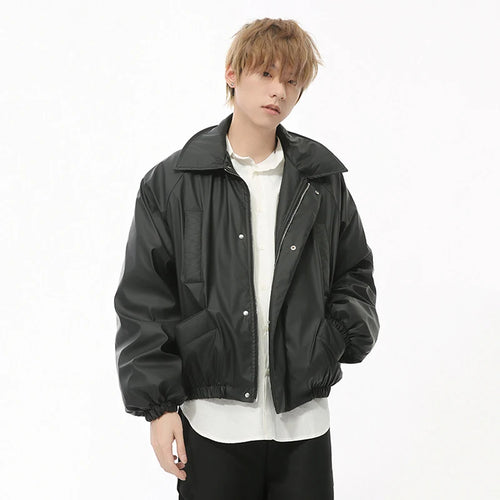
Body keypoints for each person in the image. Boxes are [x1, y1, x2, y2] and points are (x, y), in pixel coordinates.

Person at [114, 17, 379, 500]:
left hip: (302, 424)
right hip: (211, 422)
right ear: (232, 74)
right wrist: (159, 408)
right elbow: (145, 298)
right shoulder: (173, 183)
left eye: (292, 81)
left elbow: (355, 272)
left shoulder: (321, 181)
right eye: (267, 73)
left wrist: (332, 338)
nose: (279, 90)